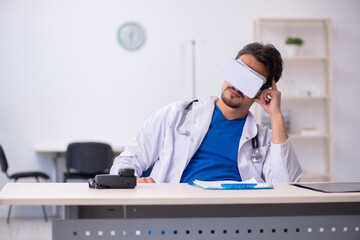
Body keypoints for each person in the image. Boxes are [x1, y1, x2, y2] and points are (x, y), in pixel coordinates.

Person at [110, 42, 302, 184]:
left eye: (250, 81)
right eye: (237, 72)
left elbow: (287, 186)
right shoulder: (176, 115)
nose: (237, 85)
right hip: (175, 212)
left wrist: (275, 115)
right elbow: (128, 159)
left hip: (237, 217)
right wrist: (133, 181)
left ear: (262, 90)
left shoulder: (264, 140)